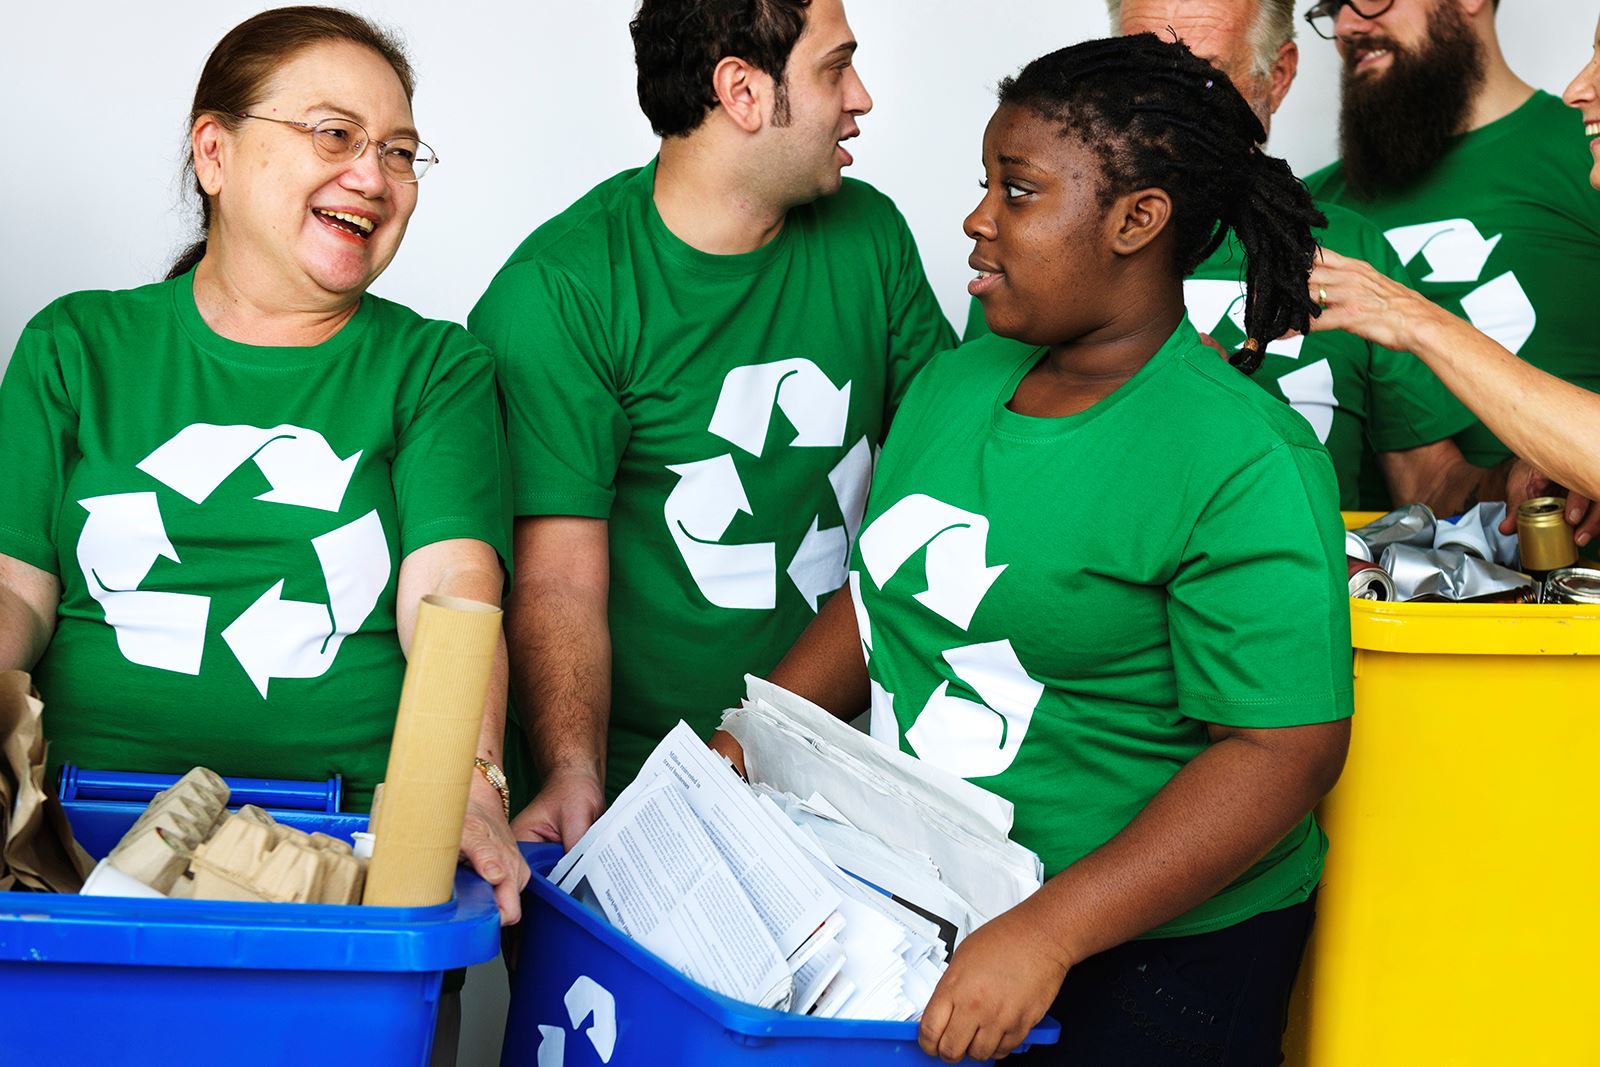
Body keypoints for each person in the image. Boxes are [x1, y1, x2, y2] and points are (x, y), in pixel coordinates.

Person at [722, 33, 1351, 1065]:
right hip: (940, 908)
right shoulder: (955, 383)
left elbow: (1282, 753)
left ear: (1137, 220)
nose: (977, 218)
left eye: (1017, 191)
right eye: (985, 184)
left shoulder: (1242, 456)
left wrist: (1051, 930)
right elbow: (883, 599)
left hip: (1156, 959)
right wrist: (748, 738)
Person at [0, 7, 527, 924]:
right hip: (73, 842)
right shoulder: (74, 347)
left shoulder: (435, 368)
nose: (373, 176)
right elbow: (16, 591)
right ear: (215, 153)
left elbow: (452, 594)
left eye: (400, 152)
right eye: (335, 134)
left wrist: (473, 786)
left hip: (347, 856)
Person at [470, 0, 954, 848]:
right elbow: (557, 581)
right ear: (742, 91)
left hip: (845, 777)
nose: (861, 97)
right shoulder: (560, 292)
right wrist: (575, 772)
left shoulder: (870, 235)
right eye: (835, 68)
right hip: (639, 793)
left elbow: (948, 473)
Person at [967, 0, 1489, 515]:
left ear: (1277, 76)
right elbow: (975, 461)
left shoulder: (1349, 249)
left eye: (1202, 74)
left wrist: (1515, 483)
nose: (1159, 99)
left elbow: (1432, 486)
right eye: (1135, 67)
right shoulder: (1037, 254)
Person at [1306, 11, 1600, 546]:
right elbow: (1430, 486)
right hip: (1387, 586)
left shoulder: (1588, 150)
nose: (1346, 25)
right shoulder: (1305, 211)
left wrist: (1409, 316)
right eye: (1333, 6)